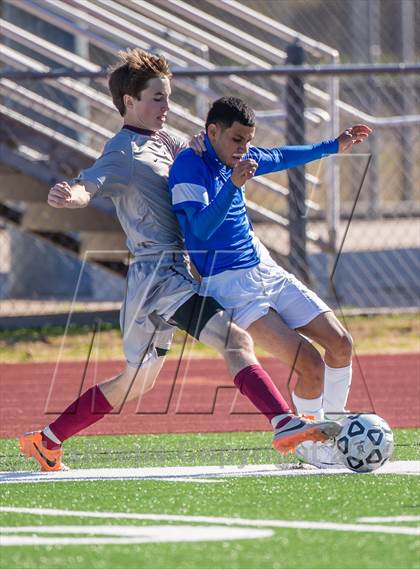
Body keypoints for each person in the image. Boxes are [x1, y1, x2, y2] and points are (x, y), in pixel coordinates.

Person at [19, 50, 340, 472]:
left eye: (167, 98)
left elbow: (208, 153)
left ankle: (48, 441)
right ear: (129, 102)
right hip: (158, 277)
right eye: (157, 99)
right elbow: (90, 183)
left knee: (136, 382)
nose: (166, 107)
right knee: (235, 340)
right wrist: (71, 195)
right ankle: (284, 422)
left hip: (171, 276)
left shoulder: (167, 141)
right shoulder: (123, 151)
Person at [168, 97, 372, 468]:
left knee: (341, 343)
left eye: (248, 140)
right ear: (211, 132)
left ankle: (338, 430)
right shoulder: (188, 166)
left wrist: (333, 145)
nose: (243, 149)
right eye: (236, 139)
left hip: (266, 269)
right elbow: (199, 233)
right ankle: (310, 446)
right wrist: (232, 186)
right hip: (229, 287)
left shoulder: (238, 157)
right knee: (310, 366)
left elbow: (280, 156)